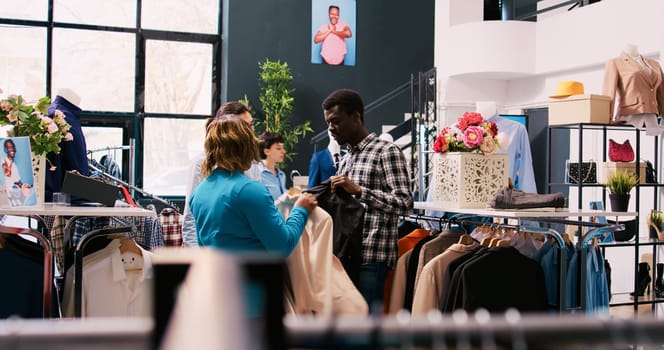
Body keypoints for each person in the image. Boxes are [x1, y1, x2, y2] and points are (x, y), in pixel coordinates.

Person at [322, 89, 413, 312]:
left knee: (365, 330)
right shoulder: (346, 158)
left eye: (335, 121)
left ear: (356, 117)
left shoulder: (387, 152)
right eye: (328, 123)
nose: (331, 129)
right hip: (346, 256)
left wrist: (360, 191)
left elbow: (404, 203)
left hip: (372, 259)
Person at [189, 116, 318, 255]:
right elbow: (283, 247)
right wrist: (300, 209)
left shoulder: (198, 193)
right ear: (245, 148)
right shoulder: (250, 191)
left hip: (217, 275)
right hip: (252, 276)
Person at [182, 101, 262, 247]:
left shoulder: (253, 164)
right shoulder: (201, 162)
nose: (251, 131)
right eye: (245, 126)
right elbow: (190, 219)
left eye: (252, 124)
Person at [602, 43, 664, 135]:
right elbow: (609, 93)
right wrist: (607, 118)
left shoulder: (654, 64)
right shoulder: (616, 63)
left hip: (652, 117)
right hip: (630, 115)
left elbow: (661, 93)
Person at [258, 131, 287, 200]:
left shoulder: (282, 175)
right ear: (266, 151)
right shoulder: (257, 173)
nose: (283, 151)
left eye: (283, 148)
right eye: (278, 148)